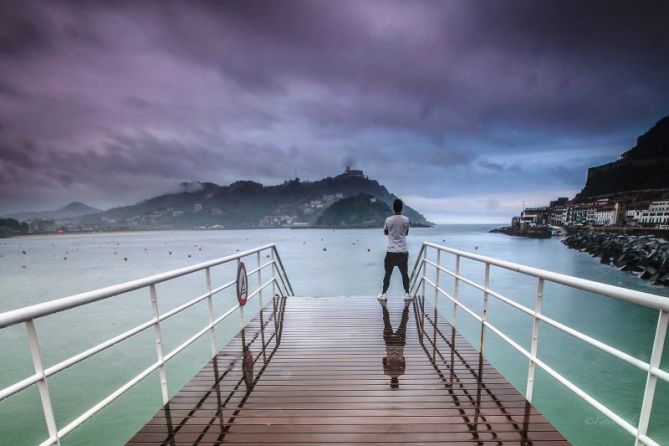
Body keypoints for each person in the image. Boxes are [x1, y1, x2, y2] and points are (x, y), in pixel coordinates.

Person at [378, 198, 411, 302]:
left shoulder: (388, 220)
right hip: (402, 252)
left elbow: (385, 232)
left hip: (391, 252)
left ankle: (384, 294)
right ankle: (406, 293)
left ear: (393, 208)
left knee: (388, 273)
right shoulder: (406, 219)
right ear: (402, 208)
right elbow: (406, 233)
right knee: (404, 273)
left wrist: (392, 233)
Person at [380, 300, 410, 389]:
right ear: (391, 382)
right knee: (386, 323)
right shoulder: (387, 372)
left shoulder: (401, 372)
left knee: (403, 323)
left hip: (400, 343)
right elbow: (384, 359)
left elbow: (403, 359)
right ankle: (383, 306)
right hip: (389, 343)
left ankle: (407, 306)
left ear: (398, 381)